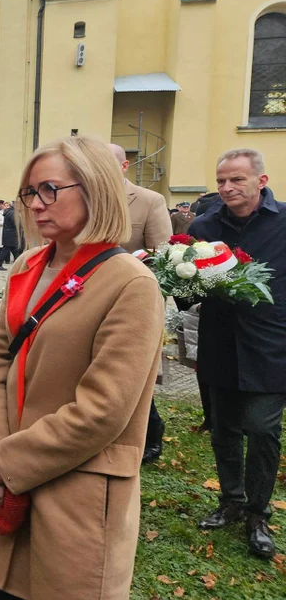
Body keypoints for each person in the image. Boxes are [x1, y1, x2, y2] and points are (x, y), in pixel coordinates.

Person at [0, 136, 163, 600]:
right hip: (14, 484)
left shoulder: (131, 283)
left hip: (77, 496)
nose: (35, 205)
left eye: (49, 190)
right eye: (30, 193)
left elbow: (104, 410)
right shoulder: (28, 265)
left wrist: (10, 458)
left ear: (96, 188)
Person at [189, 149, 286, 560]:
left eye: (237, 180)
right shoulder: (203, 225)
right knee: (224, 427)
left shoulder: (284, 224)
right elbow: (189, 289)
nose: (226, 188)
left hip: (271, 346)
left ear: (261, 181)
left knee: (262, 429)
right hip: (220, 344)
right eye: (221, 180)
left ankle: (258, 513)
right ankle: (230, 500)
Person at [107, 143, 172, 465]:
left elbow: (164, 258)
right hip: (87, 298)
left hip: (133, 301)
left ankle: (151, 430)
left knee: (134, 369)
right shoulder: (86, 198)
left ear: (124, 165)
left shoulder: (149, 201)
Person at [0, 202, 21, 271]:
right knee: (6, 250)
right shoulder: (12, 213)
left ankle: (20, 265)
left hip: (9, 234)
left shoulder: (9, 212)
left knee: (15, 251)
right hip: (11, 235)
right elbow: (15, 223)